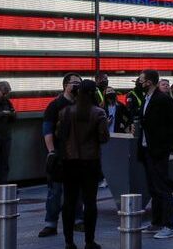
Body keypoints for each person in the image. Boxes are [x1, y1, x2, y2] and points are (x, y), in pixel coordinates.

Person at [56, 79, 109, 249]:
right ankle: (89, 241)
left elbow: (60, 135)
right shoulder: (98, 113)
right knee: (90, 201)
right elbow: (103, 138)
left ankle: (69, 241)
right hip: (90, 161)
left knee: (69, 201)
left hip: (69, 161)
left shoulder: (65, 112)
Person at [138, 70, 173, 239]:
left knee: (162, 187)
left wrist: (168, 143)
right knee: (153, 187)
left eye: (141, 80)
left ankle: (168, 225)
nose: (139, 83)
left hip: (158, 149)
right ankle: (156, 221)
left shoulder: (162, 99)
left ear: (149, 82)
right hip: (147, 148)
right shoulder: (146, 98)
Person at [39, 73, 82, 238]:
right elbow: (47, 129)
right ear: (65, 85)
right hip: (59, 153)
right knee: (55, 191)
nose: (77, 86)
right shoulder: (55, 105)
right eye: (74, 83)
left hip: (77, 154)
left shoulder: (82, 104)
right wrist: (51, 151)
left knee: (77, 189)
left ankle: (78, 220)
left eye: (79, 83)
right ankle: (50, 223)